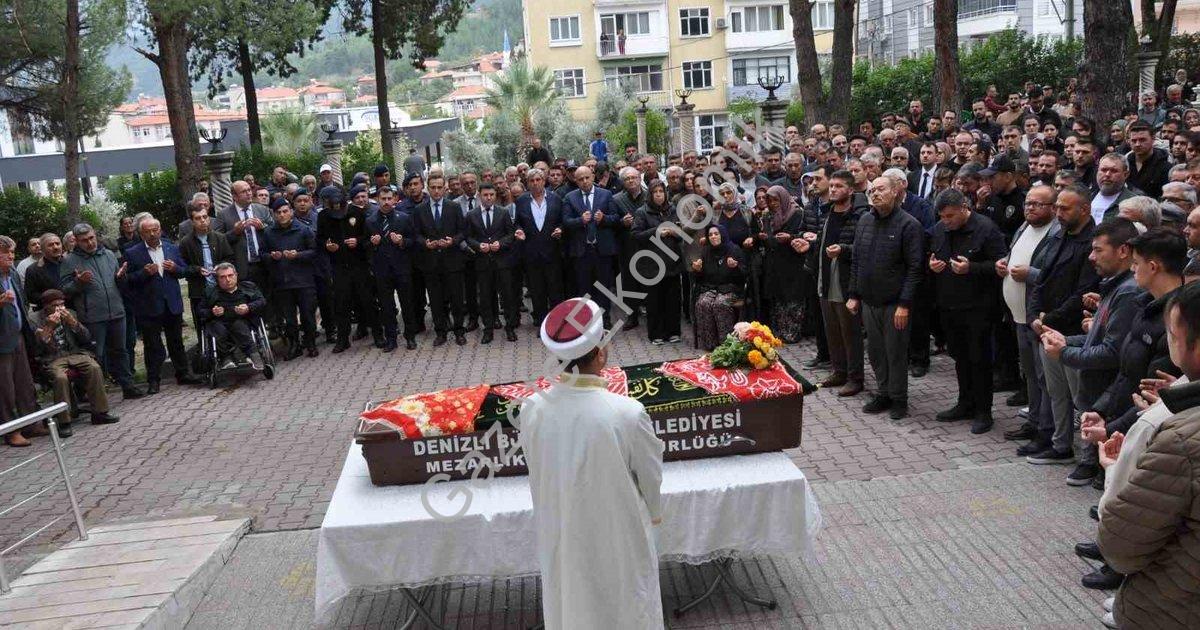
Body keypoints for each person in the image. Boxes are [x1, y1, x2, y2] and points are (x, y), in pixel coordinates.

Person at [518, 297, 663, 630]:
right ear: (600, 354)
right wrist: (654, 512)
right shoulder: (627, 412)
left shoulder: (532, 408)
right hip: (618, 531)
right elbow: (650, 475)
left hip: (562, 529)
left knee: (571, 602)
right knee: (626, 604)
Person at [1097, 281, 1200, 630]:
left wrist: (1113, 472)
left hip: (1174, 607)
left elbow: (1121, 546)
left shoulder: (1180, 438)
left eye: (1172, 333)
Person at [1021, 184, 1100, 464]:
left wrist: (1048, 319)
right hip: (1047, 329)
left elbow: (1083, 292)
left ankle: (1090, 458)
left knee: (1081, 397)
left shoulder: (1093, 242)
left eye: (1064, 208)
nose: (1059, 213)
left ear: (1085, 209)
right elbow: (1041, 279)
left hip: (1073, 333)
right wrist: (1033, 316)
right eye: (1057, 208)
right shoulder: (1058, 235)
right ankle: (1061, 445)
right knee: (1056, 393)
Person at [927, 189, 1007, 434]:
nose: (946, 221)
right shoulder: (940, 229)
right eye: (942, 216)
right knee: (960, 357)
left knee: (979, 360)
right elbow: (932, 254)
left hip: (978, 307)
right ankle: (965, 402)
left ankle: (984, 411)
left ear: (964, 208)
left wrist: (971, 268)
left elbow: (1000, 265)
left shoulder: (986, 228)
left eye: (950, 216)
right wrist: (933, 265)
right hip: (949, 305)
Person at [847, 176, 925, 420]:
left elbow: (915, 268)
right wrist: (853, 294)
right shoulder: (865, 220)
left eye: (881, 189)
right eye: (873, 190)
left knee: (896, 352)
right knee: (876, 351)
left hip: (895, 304)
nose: (875, 193)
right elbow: (857, 260)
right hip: (869, 300)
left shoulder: (909, 225)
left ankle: (899, 399)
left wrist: (904, 304)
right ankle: (883, 393)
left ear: (895, 192)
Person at [997, 186, 1061, 443]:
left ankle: (1047, 428)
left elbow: (1058, 275)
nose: (1030, 208)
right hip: (1018, 315)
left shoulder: (1057, 233)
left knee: (1045, 377)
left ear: (1053, 208)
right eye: (1028, 203)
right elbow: (1015, 255)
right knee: (1030, 374)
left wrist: (1031, 275)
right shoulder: (1024, 227)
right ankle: (1034, 420)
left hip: (1038, 318)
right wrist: (1004, 262)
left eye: (1038, 204)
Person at [59, 223, 144, 400]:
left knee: (120, 350)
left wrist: (121, 277)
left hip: (116, 310)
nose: (90, 243)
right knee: (96, 354)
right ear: (76, 241)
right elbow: (64, 291)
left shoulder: (108, 254)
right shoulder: (70, 261)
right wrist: (79, 282)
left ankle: (128, 386)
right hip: (92, 316)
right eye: (84, 241)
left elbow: (118, 282)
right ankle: (95, 393)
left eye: (91, 238)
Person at [123, 218, 201, 394]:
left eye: (155, 230)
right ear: (141, 233)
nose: (152, 234)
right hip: (149, 306)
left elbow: (184, 270)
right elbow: (127, 281)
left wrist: (175, 268)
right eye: (148, 231)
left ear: (160, 230)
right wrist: (143, 273)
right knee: (152, 345)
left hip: (171, 303)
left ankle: (183, 374)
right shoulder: (132, 252)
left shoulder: (171, 247)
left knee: (177, 342)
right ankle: (153, 380)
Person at [30, 289, 119, 433]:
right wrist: (49, 328)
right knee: (60, 377)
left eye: (62, 304)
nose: (60, 308)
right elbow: (38, 348)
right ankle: (64, 421)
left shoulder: (70, 313)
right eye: (55, 305)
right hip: (52, 357)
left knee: (94, 367)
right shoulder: (34, 319)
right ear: (46, 306)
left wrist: (74, 324)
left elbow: (86, 338)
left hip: (74, 353)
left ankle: (100, 413)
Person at [816, 170, 868, 396]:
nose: (833, 189)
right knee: (832, 330)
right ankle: (839, 371)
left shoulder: (861, 216)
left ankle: (855, 378)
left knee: (850, 333)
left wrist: (844, 250)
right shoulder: (827, 213)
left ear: (851, 189)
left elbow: (865, 248)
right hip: (825, 279)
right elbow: (823, 242)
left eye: (838, 186)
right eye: (832, 185)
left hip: (846, 282)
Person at [317, 185, 381, 353]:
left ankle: (378, 335)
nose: (335, 206)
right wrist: (327, 245)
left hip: (358, 265)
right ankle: (343, 340)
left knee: (368, 301)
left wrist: (357, 242)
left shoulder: (356, 213)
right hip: (338, 266)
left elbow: (367, 237)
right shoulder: (323, 216)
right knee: (341, 304)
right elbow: (320, 239)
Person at [414, 174, 468, 346]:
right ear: (427, 188)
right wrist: (425, 243)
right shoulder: (419, 210)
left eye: (439, 187)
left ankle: (459, 331)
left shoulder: (454, 207)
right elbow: (415, 235)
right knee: (436, 300)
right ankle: (441, 332)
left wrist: (453, 241)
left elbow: (463, 232)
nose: (436, 191)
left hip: (452, 261)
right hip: (430, 263)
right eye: (433, 187)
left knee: (457, 299)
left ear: (444, 188)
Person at [262, 197, 320, 359]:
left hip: (304, 281)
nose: (282, 215)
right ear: (274, 215)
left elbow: (314, 252)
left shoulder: (303, 230)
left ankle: (311, 343)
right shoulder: (268, 233)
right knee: (289, 318)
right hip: (282, 282)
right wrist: (271, 256)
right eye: (278, 212)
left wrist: (298, 255)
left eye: (285, 211)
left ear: (291, 212)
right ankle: (294, 345)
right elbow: (262, 254)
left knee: (308, 315)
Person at [563, 166, 620, 326]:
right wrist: (580, 220)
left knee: (604, 287)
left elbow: (615, 218)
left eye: (587, 177)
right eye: (580, 179)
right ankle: (587, 321)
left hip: (602, 250)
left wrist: (604, 219)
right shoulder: (569, 197)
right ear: (576, 180)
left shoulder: (606, 194)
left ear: (593, 176)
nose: (584, 181)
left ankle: (606, 319)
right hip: (582, 252)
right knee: (584, 288)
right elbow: (566, 222)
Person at [0, 236, 41, 447]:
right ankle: (11, 431)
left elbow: (22, 304)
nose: (10, 256)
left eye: (12, 253)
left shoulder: (13, 274)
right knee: (5, 388)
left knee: (25, 383)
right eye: (4, 253)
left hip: (18, 335)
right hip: (2, 343)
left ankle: (31, 424)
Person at [465, 183, 518, 343]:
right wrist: (477, 246)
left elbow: (511, 234)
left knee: (507, 295)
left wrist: (500, 244)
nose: (488, 198)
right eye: (485, 195)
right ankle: (488, 329)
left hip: (501, 261)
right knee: (486, 297)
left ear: (495, 196)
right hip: (482, 262)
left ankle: (510, 327)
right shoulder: (471, 214)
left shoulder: (503, 212)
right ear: (480, 195)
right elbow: (468, 237)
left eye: (491, 195)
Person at [633, 180, 683, 344]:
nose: (659, 195)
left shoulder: (672, 209)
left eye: (661, 191)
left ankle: (673, 332)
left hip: (672, 263)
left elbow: (681, 232)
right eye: (655, 192)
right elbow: (636, 236)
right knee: (654, 302)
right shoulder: (642, 212)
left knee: (672, 300)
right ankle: (656, 334)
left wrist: (675, 232)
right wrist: (656, 232)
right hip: (652, 266)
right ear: (650, 195)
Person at [762, 185, 813, 343]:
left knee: (793, 299)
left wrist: (789, 237)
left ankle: (792, 332)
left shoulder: (796, 213)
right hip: (775, 262)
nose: (773, 204)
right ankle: (779, 332)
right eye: (769, 200)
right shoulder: (768, 216)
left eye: (776, 200)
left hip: (793, 262)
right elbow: (768, 239)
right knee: (779, 299)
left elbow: (803, 233)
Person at [515, 168, 565, 326]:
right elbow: (517, 222)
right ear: (527, 183)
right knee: (537, 291)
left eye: (538, 180)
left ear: (544, 181)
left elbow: (562, 220)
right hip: (531, 253)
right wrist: (519, 230)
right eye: (532, 181)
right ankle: (542, 322)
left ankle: (556, 322)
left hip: (552, 252)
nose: (535, 183)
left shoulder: (556, 199)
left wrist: (560, 229)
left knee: (555, 289)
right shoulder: (521, 201)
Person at [199, 263, 267, 371]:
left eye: (230, 275)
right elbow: (200, 311)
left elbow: (262, 301)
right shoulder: (210, 292)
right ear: (217, 279)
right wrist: (212, 312)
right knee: (218, 330)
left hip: (242, 320)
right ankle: (226, 358)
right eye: (223, 277)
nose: (228, 279)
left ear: (236, 275)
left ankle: (253, 354)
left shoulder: (248, 287)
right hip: (219, 321)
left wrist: (248, 307)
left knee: (239, 326)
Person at [178, 204, 235, 331]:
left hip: (222, 287)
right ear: (192, 221)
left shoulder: (220, 238)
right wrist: (197, 270)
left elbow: (230, 258)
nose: (203, 220)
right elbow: (182, 268)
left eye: (205, 217)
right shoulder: (186, 242)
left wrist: (220, 267)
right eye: (198, 218)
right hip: (199, 290)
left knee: (226, 320)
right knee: (202, 323)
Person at [690, 225, 745, 351]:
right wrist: (697, 270)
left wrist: (735, 267)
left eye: (716, 234)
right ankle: (710, 344)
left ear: (723, 235)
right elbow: (700, 277)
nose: (713, 237)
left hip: (731, 288)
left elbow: (744, 275)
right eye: (710, 235)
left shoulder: (734, 250)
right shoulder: (706, 251)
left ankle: (726, 343)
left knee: (720, 304)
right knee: (703, 303)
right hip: (711, 287)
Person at [1125, 121, 1170, 200]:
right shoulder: (1124, 165)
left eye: (1142, 140)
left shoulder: (1165, 167)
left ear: (1153, 139)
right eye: (1134, 141)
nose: (1137, 144)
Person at [23, 233, 64, 311]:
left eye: (57, 244)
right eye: (50, 245)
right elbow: (30, 295)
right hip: (48, 313)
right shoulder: (33, 270)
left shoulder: (70, 263)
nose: (55, 247)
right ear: (42, 249)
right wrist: (51, 298)